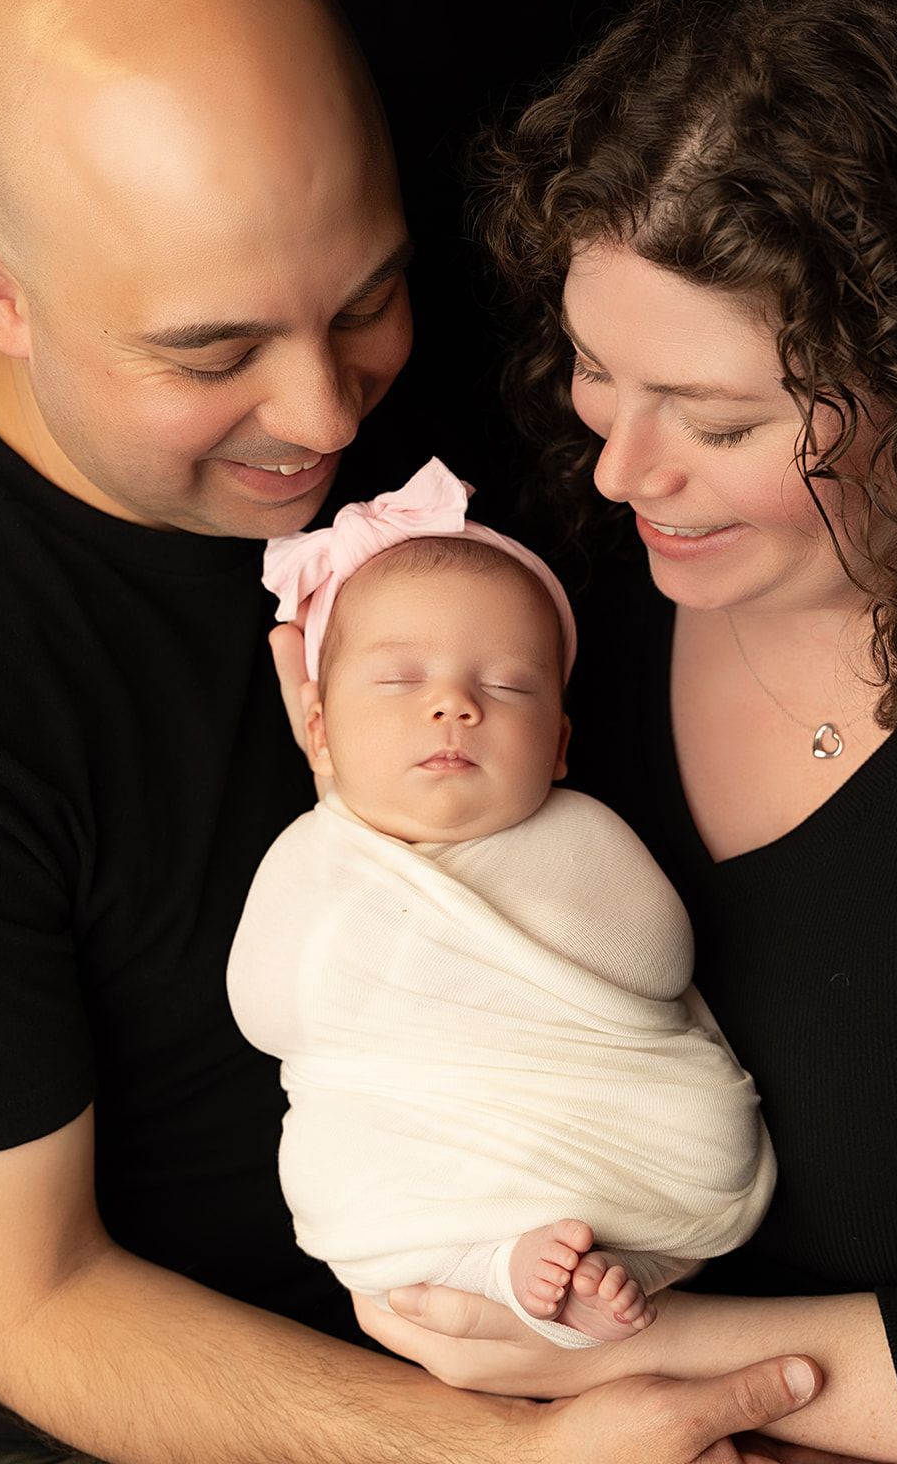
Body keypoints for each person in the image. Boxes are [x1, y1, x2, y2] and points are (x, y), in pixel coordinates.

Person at [0, 0, 828, 1464]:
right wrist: (503, 1456)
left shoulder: (515, 355)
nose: (329, 419)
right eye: (207, 356)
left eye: (363, 303)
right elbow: (22, 1296)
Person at [347, 0, 897, 1464]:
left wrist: (637, 1361)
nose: (623, 469)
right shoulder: (557, 572)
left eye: (713, 418)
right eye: (591, 371)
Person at [227, 456, 776, 1347]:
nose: (452, 705)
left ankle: (618, 1263)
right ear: (318, 729)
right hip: (418, 1149)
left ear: (558, 745)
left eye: (508, 687)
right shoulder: (314, 857)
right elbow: (271, 1012)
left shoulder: (582, 835)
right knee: (347, 1183)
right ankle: (510, 1274)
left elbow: (652, 962)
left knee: (695, 1151)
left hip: (616, 1125)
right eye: (401, 682)